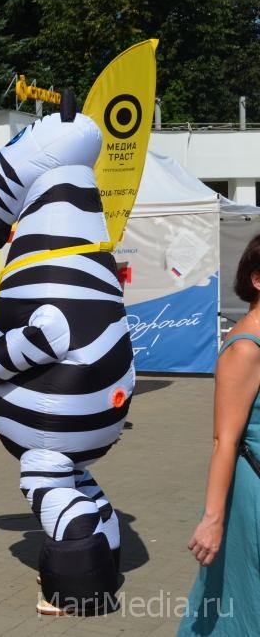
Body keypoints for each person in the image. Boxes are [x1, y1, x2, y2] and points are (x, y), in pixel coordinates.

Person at [179, 235, 260, 634]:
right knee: (243, 600)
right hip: (254, 489)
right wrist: (212, 519)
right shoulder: (245, 347)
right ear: (257, 279)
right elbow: (223, 440)